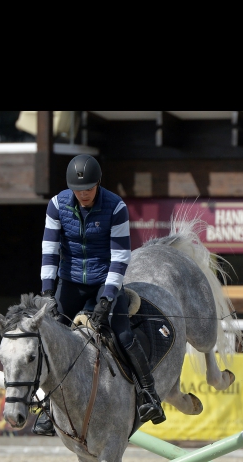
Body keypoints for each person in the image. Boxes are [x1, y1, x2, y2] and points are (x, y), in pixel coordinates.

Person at [34, 154, 166, 436]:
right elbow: (50, 251)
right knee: (50, 338)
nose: (83, 195)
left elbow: (120, 257)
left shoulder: (116, 207)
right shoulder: (57, 205)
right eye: (78, 190)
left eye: (88, 189)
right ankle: (46, 408)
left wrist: (107, 296)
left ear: (98, 185)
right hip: (69, 283)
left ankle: (149, 396)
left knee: (123, 334)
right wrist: (47, 292)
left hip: (105, 281)